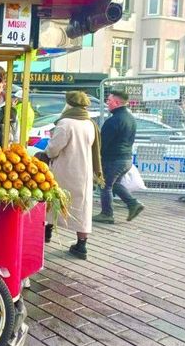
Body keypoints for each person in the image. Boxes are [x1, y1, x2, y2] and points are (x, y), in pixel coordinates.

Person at [43, 91, 103, 260]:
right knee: (82, 207)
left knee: (54, 200)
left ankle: (46, 232)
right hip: (83, 172)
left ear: (69, 104)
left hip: (64, 170)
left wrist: (46, 152)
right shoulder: (90, 123)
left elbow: (54, 149)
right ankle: (81, 244)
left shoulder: (65, 123)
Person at [93, 89, 144, 224]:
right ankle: (133, 204)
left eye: (109, 100)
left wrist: (96, 158)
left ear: (116, 102)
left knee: (105, 186)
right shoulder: (130, 118)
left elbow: (103, 143)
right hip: (126, 158)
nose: (107, 103)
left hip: (114, 159)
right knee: (114, 184)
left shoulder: (114, 120)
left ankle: (107, 214)